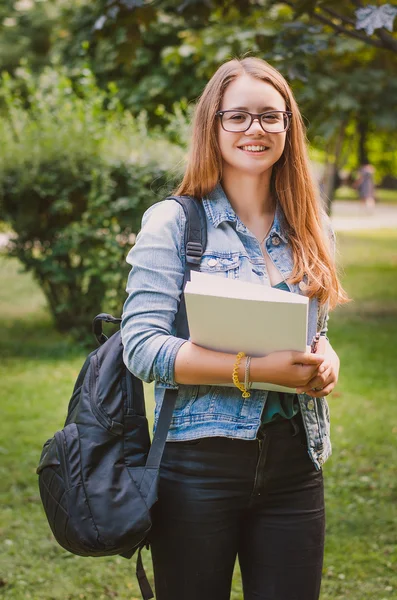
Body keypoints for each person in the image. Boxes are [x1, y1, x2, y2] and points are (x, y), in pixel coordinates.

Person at [121, 57, 349, 600]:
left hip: (296, 462)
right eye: (239, 116)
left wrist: (327, 359)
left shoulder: (311, 226)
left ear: (288, 127)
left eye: (271, 116)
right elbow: (142, 346)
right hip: (197, 465)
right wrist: (252, 369)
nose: (256, 130)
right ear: (213, 124)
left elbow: (314, 329)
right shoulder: (174, 222)